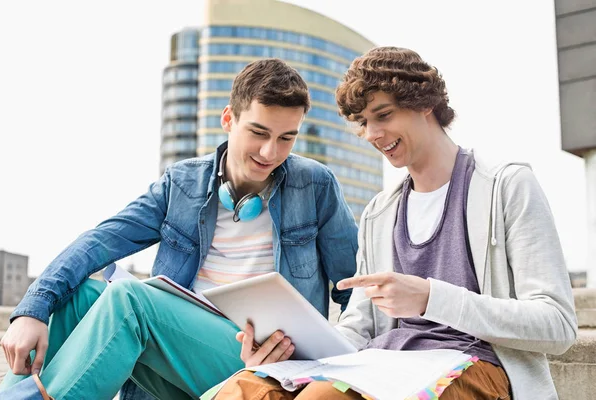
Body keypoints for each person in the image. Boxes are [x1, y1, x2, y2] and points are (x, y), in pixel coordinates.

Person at [216, 47, 578, 400]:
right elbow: (358, 328)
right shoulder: (379, 212)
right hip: (385, 366)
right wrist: (287, 352)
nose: (371, 134)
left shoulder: (506, 186)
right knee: (244, 388)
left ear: (425, 104)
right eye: (363, 123)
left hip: (475, 365)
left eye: (383, 115)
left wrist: (430, 298)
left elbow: (557, 324)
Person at [0, 58, 358, 400]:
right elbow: (99, 242)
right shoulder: (182, 183)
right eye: (259, 132)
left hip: (269, 365)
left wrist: (341, 365)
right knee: (78, 299)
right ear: (229, 119)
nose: (269, 151)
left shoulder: (315, 186)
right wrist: (32, 309)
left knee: (131, 301)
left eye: (286, 138)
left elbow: (353, 287)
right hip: (180, 353)